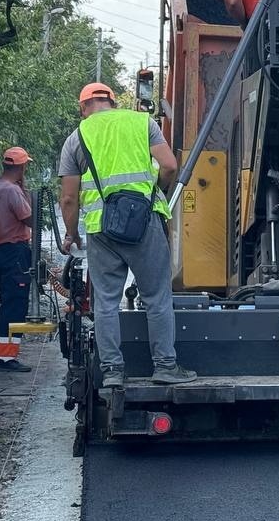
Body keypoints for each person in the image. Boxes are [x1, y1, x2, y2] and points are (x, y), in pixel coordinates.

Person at [57, 82, 197, 391]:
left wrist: (71, 235)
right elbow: (170, 166)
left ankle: (112, 371)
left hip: (101, 230)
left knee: (105, 302)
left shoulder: (76, 138)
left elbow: (68, 198)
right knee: (157, 297)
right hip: (145, 222)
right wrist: (153, 192)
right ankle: (164, 366)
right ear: (112, 101)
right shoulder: (141, 122)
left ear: (83, 107)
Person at [0, 147, 34, 372]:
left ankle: (1, 353)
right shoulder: (13, 191)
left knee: (7, 301)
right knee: (16, 304)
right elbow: (30, 220)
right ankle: (5, 358)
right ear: (21, 167)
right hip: (16, 252)